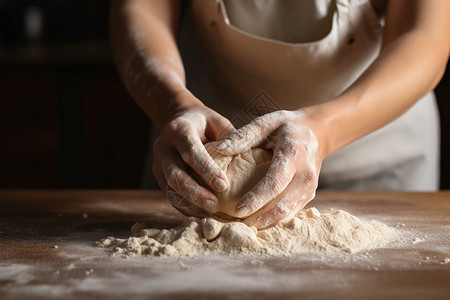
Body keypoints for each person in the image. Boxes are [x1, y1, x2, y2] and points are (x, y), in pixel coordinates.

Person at [110, 0, 450, 229]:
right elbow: (142, 9)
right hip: (205, 141)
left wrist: (323, 130)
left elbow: (424, 33)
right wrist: (174, 104)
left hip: (376, 145)